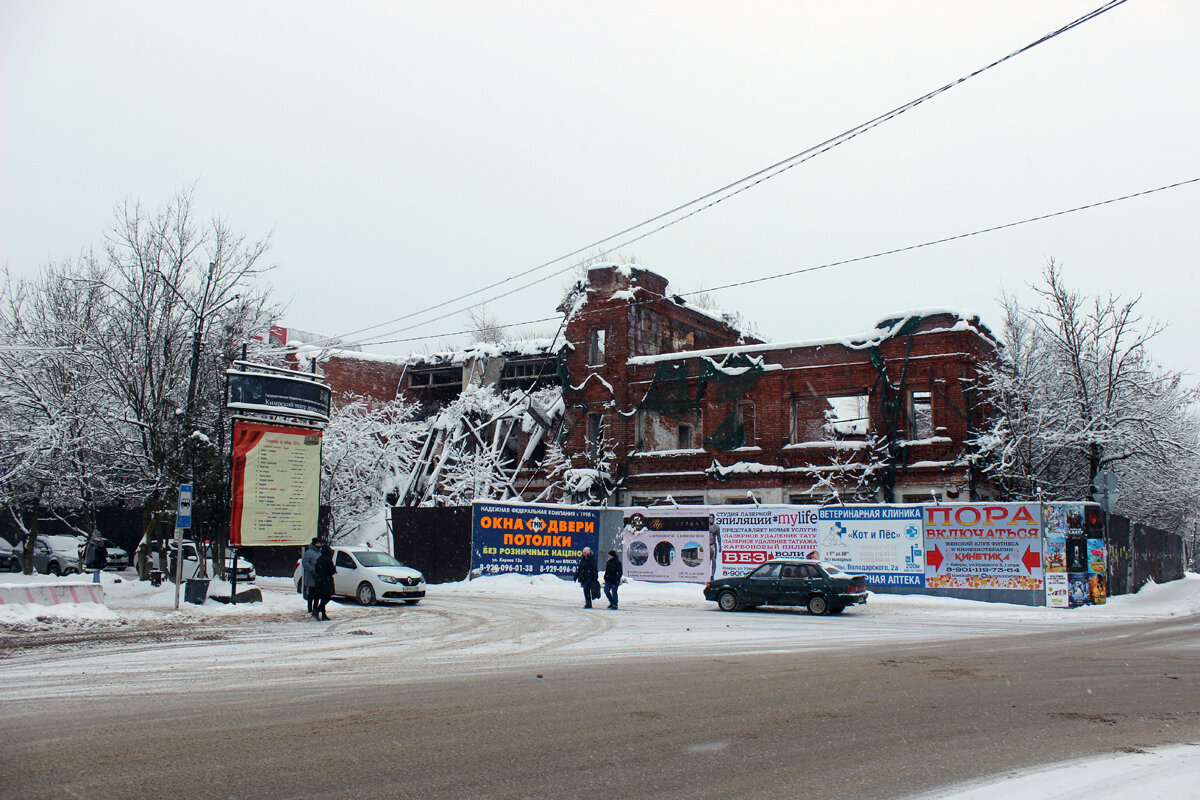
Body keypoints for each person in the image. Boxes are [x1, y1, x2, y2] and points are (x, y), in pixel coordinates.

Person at [312, 544, 337, 620]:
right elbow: (333, 571)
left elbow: (316, 570)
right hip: (326, 581)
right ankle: (317, 610)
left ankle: (323, 614)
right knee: (327, 598)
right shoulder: (328, 560)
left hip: (319, 581)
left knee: (323, 597)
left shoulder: (319, 559)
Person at [301, 538, 321, 615]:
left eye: (319, 543)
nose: (319, 545)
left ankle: (315, 607)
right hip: (311, 576)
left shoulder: (319, 552)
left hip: (318, 576)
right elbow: (304, 562)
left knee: (317, 594)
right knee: (311, 593)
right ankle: (310, 608)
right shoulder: (309, 552)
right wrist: (311, 570)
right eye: (317, 543)